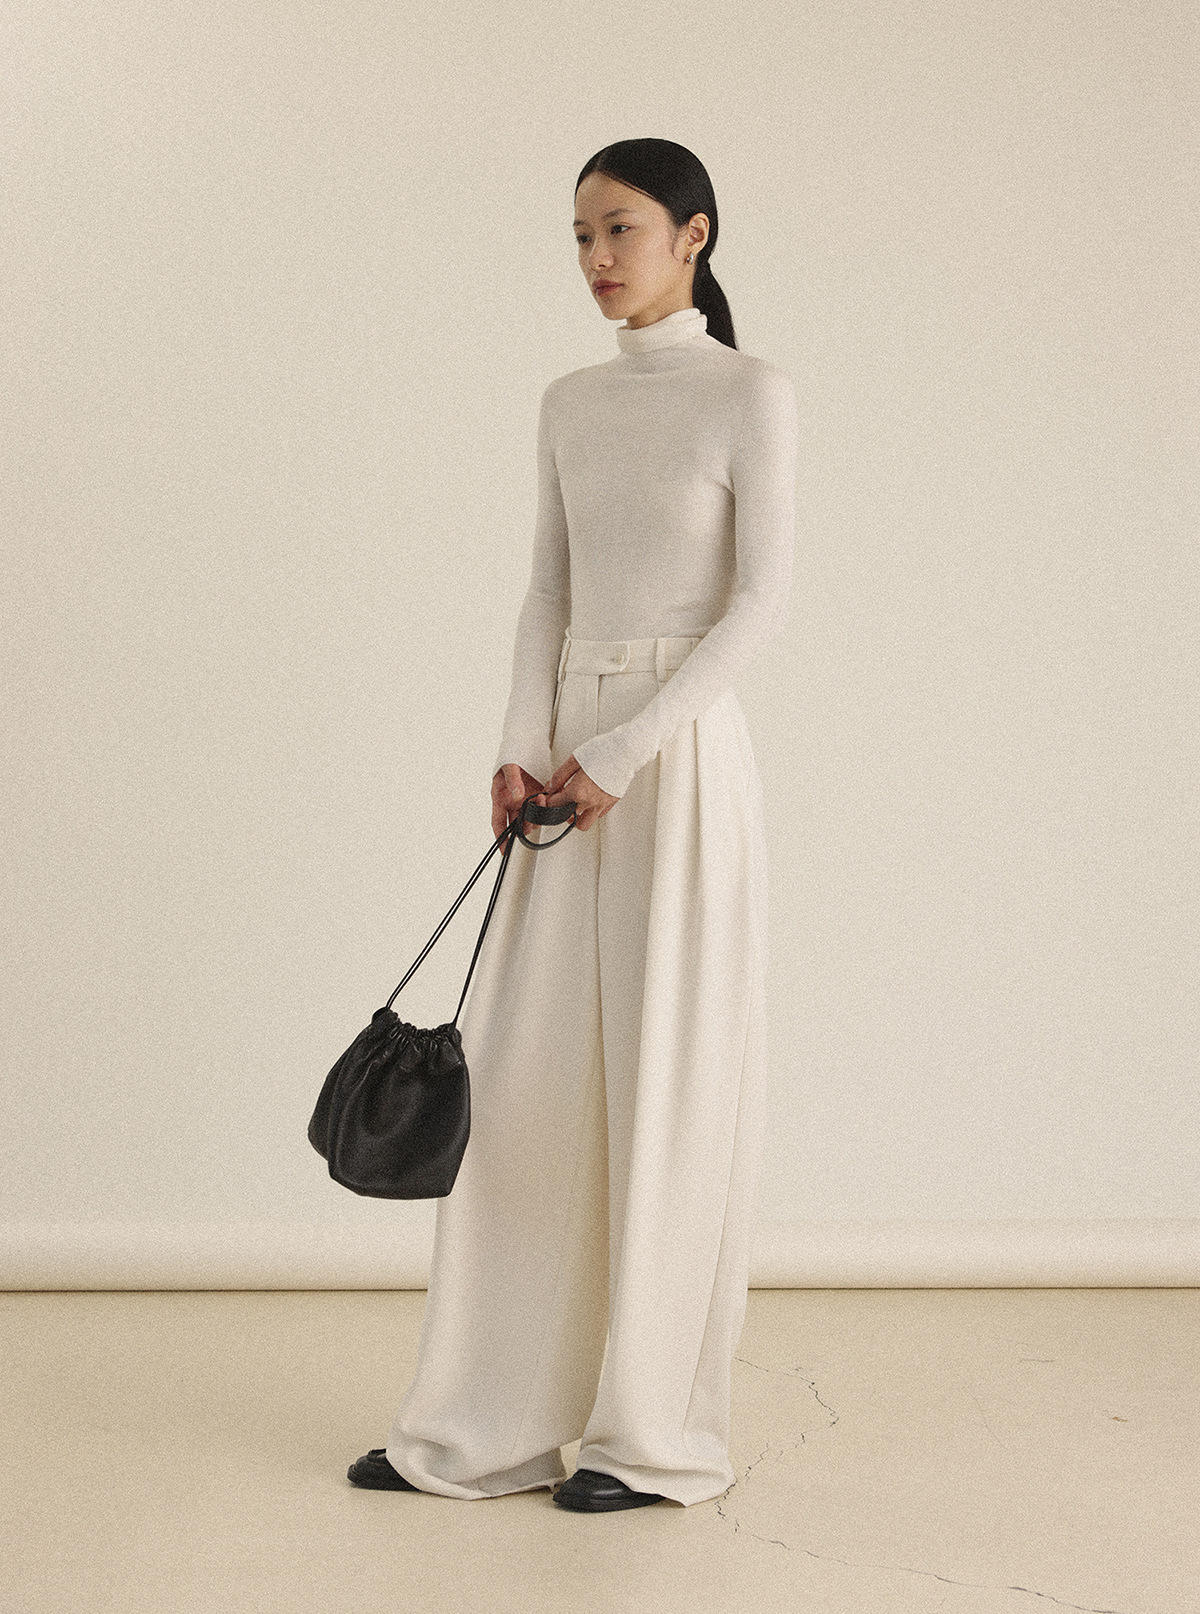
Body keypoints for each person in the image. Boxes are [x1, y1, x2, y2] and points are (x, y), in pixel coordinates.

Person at [347, 137, 799, 1512]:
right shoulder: (569, 402)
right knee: (527, 1091)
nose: (598, 258)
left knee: (668, 1084)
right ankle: (481, 1427)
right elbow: (546, 591)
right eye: (582, 236)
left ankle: (650, 1439)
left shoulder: (751, 395)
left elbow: (759, 604)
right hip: (563, 767)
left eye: (622, 229)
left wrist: (623, 746)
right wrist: (520, 745)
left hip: (678, 761)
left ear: (694, 234)